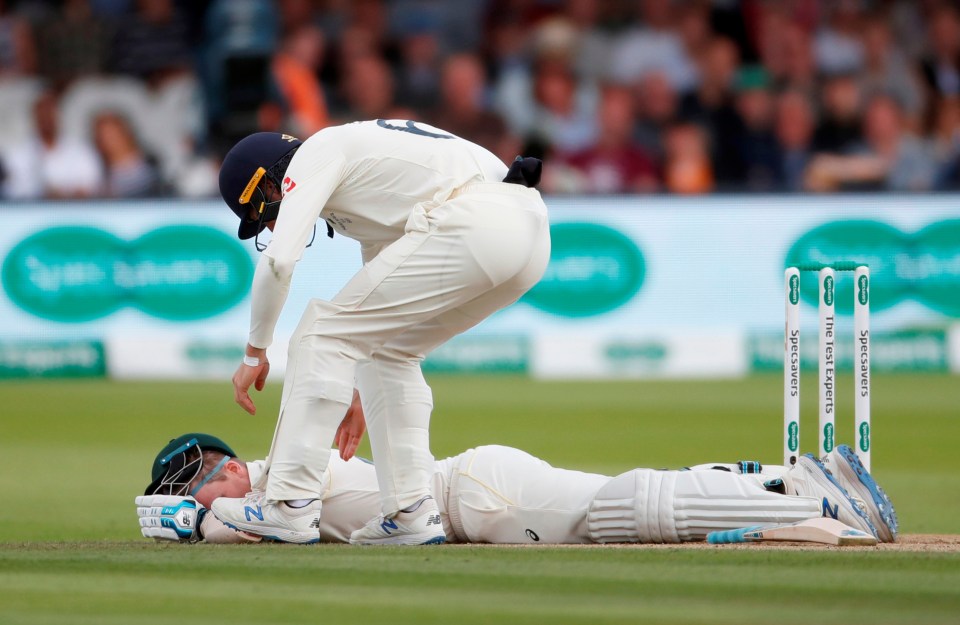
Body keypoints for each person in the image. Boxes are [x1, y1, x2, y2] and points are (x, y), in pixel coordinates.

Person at [214, 121, 549, 546]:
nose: (268, 227)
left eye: (262, 212)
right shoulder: (364, 188)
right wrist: (352, 384)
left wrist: (254, 353)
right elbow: (376, 315)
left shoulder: (315, 153)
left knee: (320, 333)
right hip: (528, 235)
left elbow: (279, 263)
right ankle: (410, 512)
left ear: (269, 179)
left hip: (477, 221)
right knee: (386, 352)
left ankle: (289, 506)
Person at [136, 431, 899, 545]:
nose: (196, 497)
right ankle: (793, 478)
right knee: (616, 499)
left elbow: (275, 522)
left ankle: (815, 502)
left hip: (474, 494)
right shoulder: (263, 484)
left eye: (194, 483)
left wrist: (190, 523)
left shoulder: (280, 468)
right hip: (477, 487)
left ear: (224, 468)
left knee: (614, 512)